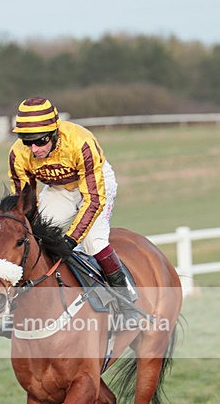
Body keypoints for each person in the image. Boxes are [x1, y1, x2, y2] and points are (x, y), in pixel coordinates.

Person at [8, 96, 135, 303]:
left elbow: (93, 199)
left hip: (96, 183)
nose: (34, 149)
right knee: (35, 240)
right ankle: (22, 303)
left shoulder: (81, 142)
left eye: (41, 140)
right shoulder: (18, 154)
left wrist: (71, 240)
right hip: (59, 189)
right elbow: (24, 203)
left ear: (55, 132)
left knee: (93, 242)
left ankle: (126, 299)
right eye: (27, 142)